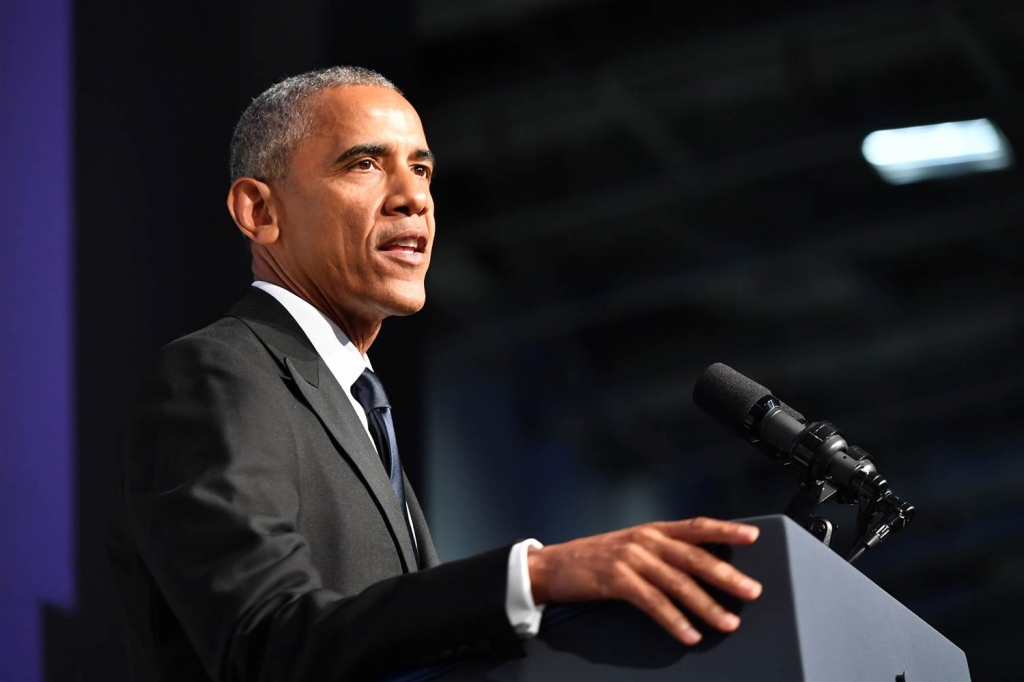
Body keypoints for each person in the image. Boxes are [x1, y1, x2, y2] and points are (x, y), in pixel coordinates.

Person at [107, 65, 764, 681]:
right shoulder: (219, 373)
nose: (412, 199)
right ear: (261, 211)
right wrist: (531, 577)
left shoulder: (361, 407)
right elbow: (266, 638)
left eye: (421, 170)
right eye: (364, 164)